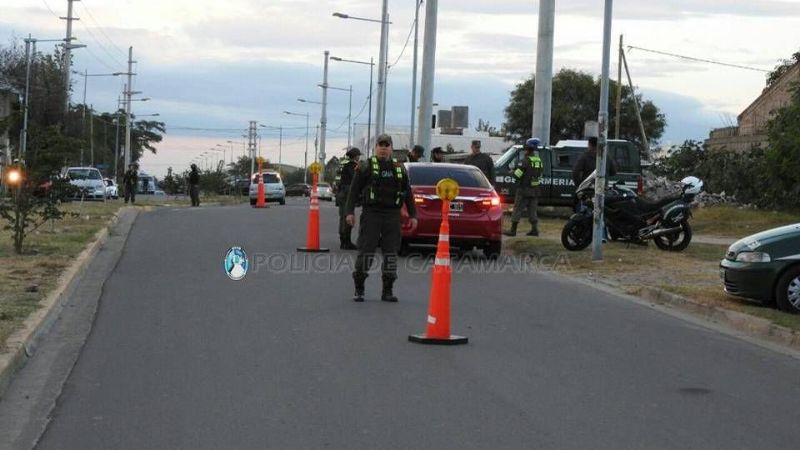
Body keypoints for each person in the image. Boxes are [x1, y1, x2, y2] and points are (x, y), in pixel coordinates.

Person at [345, 133, 417, 303]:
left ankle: (387, 290)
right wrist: (349, 212)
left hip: (392, 216)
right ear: (375, 147)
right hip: (371, 214)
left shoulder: (399, 169)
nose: (383, 148)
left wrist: (413, 215)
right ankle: (359, 288)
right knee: (366, 251)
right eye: (380, 145)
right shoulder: (366, 167)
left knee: (391, 253)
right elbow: (354, 191)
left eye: (387, 145)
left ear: (391, 148)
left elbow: (408, 194)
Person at [504, 138, 543, 237]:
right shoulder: (538, 160)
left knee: (517, 209)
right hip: (535, 190)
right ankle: (535, 230)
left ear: (528, 148)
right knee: (532, 210)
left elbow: (517, 175)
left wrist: (512, 172)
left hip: (524, 190)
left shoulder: (525, 161)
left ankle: (513, 230)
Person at [335, 147, 361, 250]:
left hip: (341, 193)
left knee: (342, 217)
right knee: (348, 217)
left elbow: (337, 180)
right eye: (358, 156)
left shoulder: (342, 164)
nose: (359, 158)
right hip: (347, 194)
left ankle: (343, 241)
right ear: (355, 156)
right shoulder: (352, 166)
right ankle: (347, 242)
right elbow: (355, 180)